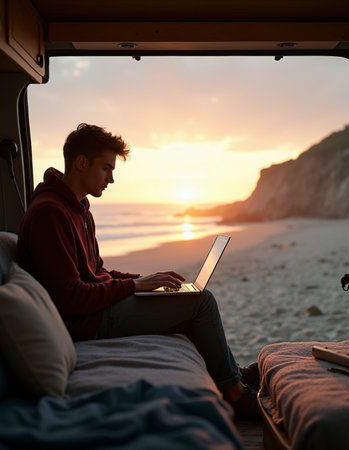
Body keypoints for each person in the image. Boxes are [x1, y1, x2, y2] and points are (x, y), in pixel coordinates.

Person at [17, 123, 260, 420]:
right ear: (82, 163)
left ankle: (230, 376)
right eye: (107, 169)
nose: (112, 179)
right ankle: (235, 395)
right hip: (84, 323)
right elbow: (70, 298)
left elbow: (97, 272)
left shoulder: (79, 208)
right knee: (201, 302)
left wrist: (145, 280)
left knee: (186, 306)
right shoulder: (50, 213)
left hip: (96, 310)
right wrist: (135, 287)